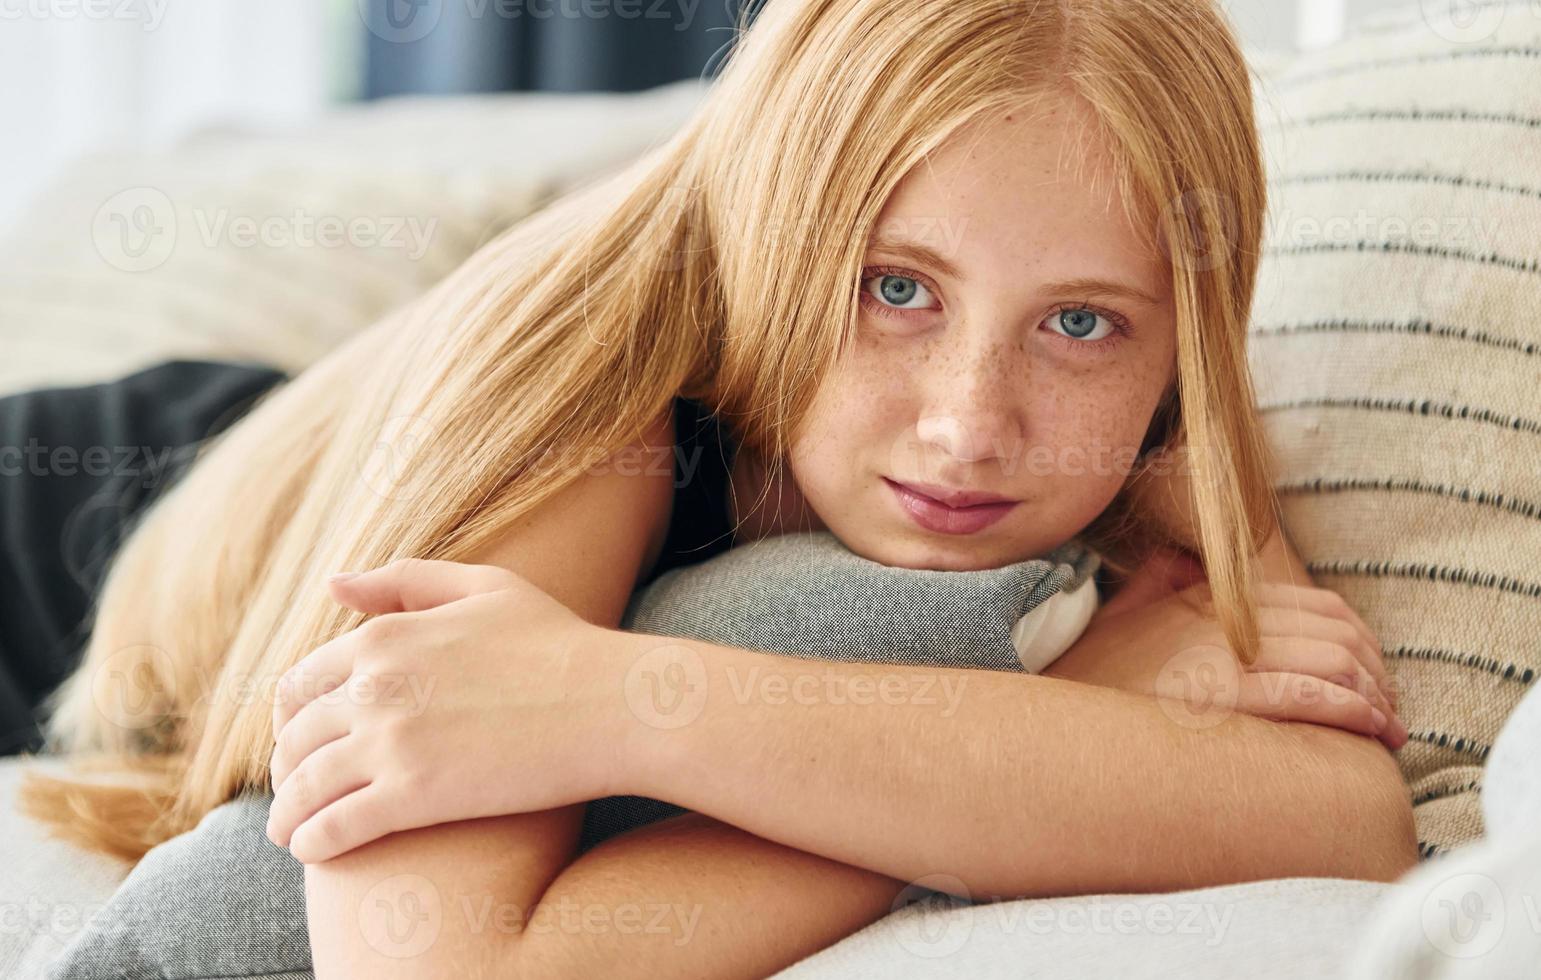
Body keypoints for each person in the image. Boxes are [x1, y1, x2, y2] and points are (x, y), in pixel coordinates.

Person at [16, 0, 1416, 974]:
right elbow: (440, 969)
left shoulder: (1161, 438)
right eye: (896, 288)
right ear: (774, 235)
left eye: (1079, 322)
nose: (971, 426)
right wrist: (1059, 734)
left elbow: (1337, 816)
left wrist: (616, 706)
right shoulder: (591, 392)